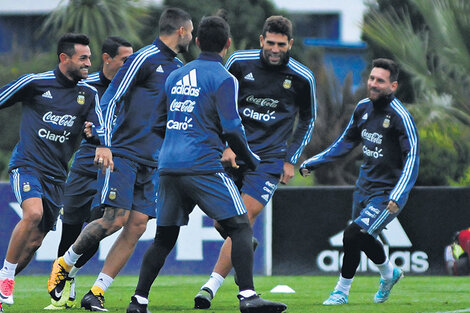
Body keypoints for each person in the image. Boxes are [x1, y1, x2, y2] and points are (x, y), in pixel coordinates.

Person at [126, 15, 287, 313]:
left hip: (168, 166)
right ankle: (249, 297)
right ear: (227, 44)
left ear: (198, 42)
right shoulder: (225, 78)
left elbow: (157, 124)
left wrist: (180, 137)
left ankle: (138, 301)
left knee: (164, 237)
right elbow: (232, 129)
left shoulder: (175, 75)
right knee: (240, 228)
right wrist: (249, 158)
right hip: (203, 164)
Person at [47, 8, 193, 312]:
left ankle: (96, 292)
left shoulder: (179, 67)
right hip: (123, 154)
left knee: (137, 225)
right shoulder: (143, 58)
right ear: (181, 31)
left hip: (153, 161)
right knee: (115, 219)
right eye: (191, 32)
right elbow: (111, 97)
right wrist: (105, 142)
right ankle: (66, 263)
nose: (192, 37)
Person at [194, 15, 316, 309]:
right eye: (270, 43)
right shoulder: (238, 62)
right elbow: (221, 102)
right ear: (262, 40)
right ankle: (244, 247)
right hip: (235, 154)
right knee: (222, 224)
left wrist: (291, 160)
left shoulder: (302, 77)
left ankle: (210, 286)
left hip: (270, 160)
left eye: (281, 45)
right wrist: (226, 145)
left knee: (243, 217)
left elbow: (308, 119)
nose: (275, 49)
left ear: (290, 45)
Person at [300, 58, 419, 305]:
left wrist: (398, 194)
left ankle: (341, 292)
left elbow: (412, 158)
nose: (373, 84)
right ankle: (389, 273)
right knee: (357, 238)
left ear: (393, 86)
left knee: (354, 232)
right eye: (372, 78)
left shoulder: (400, 117)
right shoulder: (363, 108)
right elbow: (345, 142)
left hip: (388, 193)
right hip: (363, 187)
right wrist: (314, 161)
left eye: (380, 81)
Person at [0, 33, 102, 308]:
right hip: (27, 165)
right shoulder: (35, 83)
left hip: (58, 178)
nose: (88, 64)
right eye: (83, 58)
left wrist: (95, 137)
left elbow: (99, 129)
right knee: (32, 213)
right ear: (64, 58)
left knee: (34, 243)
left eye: (89, 58)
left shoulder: (89, 94)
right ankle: (5, 279)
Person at [44, 36, 133, 310]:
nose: (131, 65)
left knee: (100, 224)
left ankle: (69, 272)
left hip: (114, 165)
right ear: (107, 59)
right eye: (125, 60)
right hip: (84, 162)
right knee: (70, 225)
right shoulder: (86, 86)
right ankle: (61, 286)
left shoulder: (133, 87)